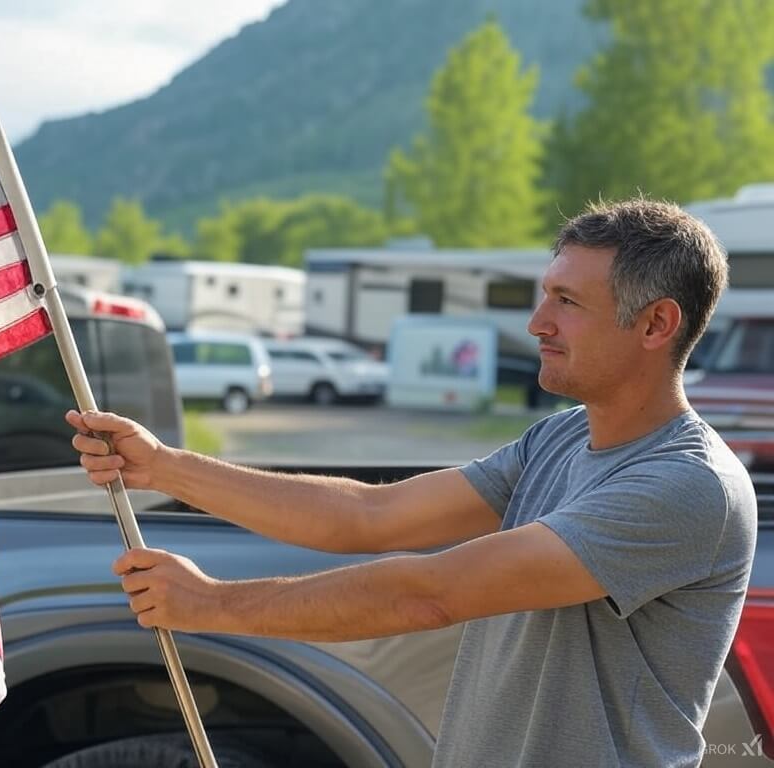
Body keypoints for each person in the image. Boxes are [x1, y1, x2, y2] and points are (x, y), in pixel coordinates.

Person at [66, 198, 757, 768]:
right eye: (546, 295)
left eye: (567, 301)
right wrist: (162, 466)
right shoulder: (563, 436)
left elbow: (430, 595)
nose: (536, 323)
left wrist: (213, 605)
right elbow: (372, 516)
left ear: (657, 323)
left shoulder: (688, 485)